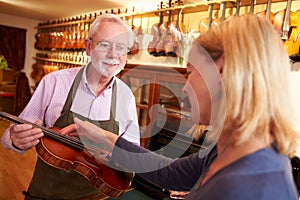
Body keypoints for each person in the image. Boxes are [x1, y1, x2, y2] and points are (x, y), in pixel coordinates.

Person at [71, 14, 300, 200]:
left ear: (220, 70)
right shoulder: (227, 149)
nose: (185, 88)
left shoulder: (250, 185)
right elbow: (168, 170)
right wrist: (105, 138)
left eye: (190, 73)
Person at [1, 14, 140, 199]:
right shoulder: (54, 82)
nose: (113, 54)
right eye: (105, 45)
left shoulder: (126, 96)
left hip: (100, 195)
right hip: (48, 194)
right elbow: (11, 136)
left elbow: (132, 152)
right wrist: (14, 138)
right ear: (88, 47)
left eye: (121, 47)